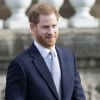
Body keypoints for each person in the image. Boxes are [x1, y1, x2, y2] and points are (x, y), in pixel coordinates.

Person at [5, 2, 86, 100]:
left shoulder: (69, 57)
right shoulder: (20, 65)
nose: (51, 32)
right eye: (45, 27)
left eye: (54, 26)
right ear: (33, 27)